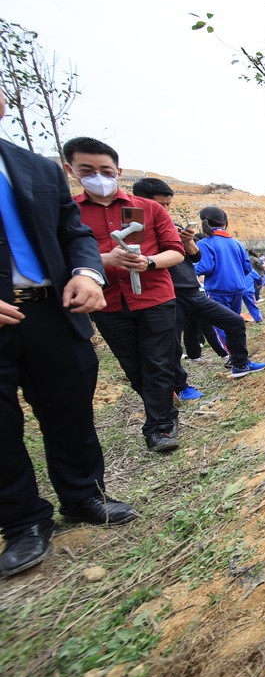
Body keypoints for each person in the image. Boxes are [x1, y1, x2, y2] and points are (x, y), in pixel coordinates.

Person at [0, 90, 137, 578]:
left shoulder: (34, 168)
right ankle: (21, 523)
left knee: (69, 408)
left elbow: (71, 230)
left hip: (52, 309)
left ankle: (83, 496)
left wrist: (86, 271)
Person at [65, 137, 187, 453]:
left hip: (155, 298)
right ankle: (165, 411)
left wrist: (148, 261)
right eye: (87, 170)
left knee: (158, 362)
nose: (98, 176)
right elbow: (62, 257)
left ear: (118, 171)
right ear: (71, 170)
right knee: (134, 367)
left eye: (105, 170)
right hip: (106, 302)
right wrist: (103, 260)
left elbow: (175, 252)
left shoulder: (148, 209)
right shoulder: (68, 214)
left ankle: (159, 428)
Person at [131, 179, 264, 394]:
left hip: (194, 291)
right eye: (161, 204)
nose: (165, 210)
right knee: (172, 343)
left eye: (168, 205)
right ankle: (180, 386)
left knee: (234, 321)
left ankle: (241, 363)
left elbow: (196, 260)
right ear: (140, 202)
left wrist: (188, 241)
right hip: (166, 295)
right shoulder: (136, 234)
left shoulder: (172, 228)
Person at [192, 206, 265, 378]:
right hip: (237, 289)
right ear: (225, 223)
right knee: (235, 324)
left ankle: (235, 359)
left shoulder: (204, 244)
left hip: (218, 290)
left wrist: (189, 268)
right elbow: (247, 267)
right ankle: (240, 360)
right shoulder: (236, 243)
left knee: (221, 327)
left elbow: (205, 267)